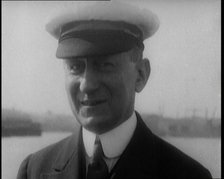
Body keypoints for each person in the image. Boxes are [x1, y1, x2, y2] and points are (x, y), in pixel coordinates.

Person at [17, 1, 212, 179]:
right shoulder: (34, 170)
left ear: (141, 75)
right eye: (75, 67)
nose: (87, 85)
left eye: (104, 65)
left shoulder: (188, 175)